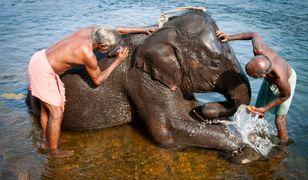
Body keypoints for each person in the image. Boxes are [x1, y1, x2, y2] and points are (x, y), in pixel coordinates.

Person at [28, 25, 158, 157]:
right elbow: (98, 80)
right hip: (43, 70)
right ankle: (53, 150)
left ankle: (45, 142)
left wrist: (143, 29)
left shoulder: (91, 30)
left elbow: (116, 29)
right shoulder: (87, 54)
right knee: (56, 113)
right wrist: (118, 61)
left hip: (39, 57)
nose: (109, 49)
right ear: (101, 45)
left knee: (46, 109)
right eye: (108, 47)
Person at [216, 31, 296, 145]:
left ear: (264, 76)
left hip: (288, 82)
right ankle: (258, 136)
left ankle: (283, 148)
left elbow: (285, 95)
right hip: (270, 75)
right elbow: (253, 34)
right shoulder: (258, 50)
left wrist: (266, 108)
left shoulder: (280, 79)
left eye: (253, 76)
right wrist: (229, 37)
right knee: (257, 110)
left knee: (279, 120)